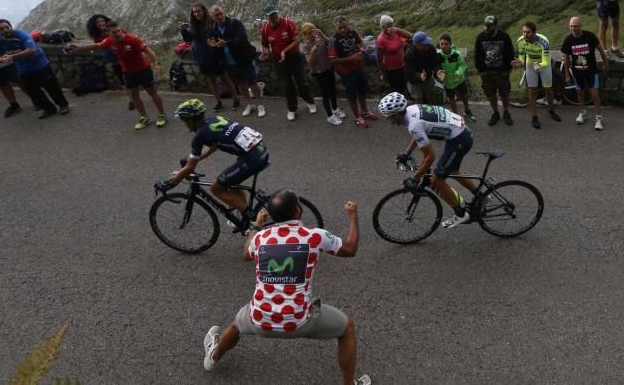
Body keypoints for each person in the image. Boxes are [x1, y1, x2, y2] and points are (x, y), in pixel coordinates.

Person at [201, 190, 370, 385]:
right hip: (299, 321)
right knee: (347, 327)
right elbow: (350, 249)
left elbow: (246, 254)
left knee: (237, 324)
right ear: (298, 210)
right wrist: (353, 216)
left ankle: (213, 357)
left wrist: (257, 225)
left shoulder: (261, 238)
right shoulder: (314, 236)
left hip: (259, 319)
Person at [156, 98, 269, 224]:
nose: (185, 124)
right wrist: (191, 159)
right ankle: (245, 214)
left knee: (216, 188)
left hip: (252, 158)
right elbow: (213, 146)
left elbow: (189, 168)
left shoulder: (199, 136)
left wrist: (169, 182)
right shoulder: (214, 120)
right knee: (230, 182)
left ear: (190, 120)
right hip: (260, 149)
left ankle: (252, 219)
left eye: (184, 121)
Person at [379, 92, 476, 229]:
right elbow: (419, 134)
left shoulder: (414, 124)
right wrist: (407, 153)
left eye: (389, 117)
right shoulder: (412, 110)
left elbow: (430, 157)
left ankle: (461, 214)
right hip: (460, 133)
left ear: (396, 114)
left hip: (459, 140)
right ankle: (480, 195)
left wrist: (415, 178)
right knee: (453, 170)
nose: (389, 120)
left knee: (436, 180)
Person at [70, 21, 167, 130]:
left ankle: (162, 115)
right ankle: (144, 117)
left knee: (152, 92)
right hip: (128, 72)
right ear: (109, 33)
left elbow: (149, 51)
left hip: (143, 70)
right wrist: (79, 48)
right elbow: (97, 45)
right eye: (114, 32)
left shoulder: (133, 40)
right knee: (134, 95)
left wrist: (157, 64)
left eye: (118, 31)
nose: (118, 34)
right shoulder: (109, 41)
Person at [0, 20, 69, 118]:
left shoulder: (21, 35)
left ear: (11, 26)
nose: (5, 30)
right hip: (23, 70)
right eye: (1, 29)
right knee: (34, 93)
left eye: (7, 27)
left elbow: (32, 50)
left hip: (40, 65)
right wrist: (1, 60)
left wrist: (12, 57)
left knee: (52, 88)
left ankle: (63, 105)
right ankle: (49, 109)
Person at [259, 5, 317, 121]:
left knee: (301, 81)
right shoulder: (265, 29)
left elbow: (297, 40)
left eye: (274, 14)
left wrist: (284, 51)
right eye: (270, 15)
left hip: (294, 57)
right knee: (287, 85)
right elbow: (265, 45)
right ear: (266, 16)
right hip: (279, 61)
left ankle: (310, 102)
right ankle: (292, 109)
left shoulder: (287, 23)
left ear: (277, 13)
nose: (273, 17)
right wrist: (265, 53)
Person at [208, 6, 264, 118]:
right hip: (229, 63)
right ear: (212, 17)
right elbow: (216, 46)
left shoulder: (235, 23)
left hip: (244, 59)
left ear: (224, 13)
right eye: (216, 15)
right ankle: (250, 105)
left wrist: (227, 43)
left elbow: (242, 37)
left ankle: (260, 105)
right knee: (240, 84)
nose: (219, 16)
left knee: (252, 82)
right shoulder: (213, 29)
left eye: (220, 13)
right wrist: (213, 46)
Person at [180, 3, 235, 112]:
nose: (196, 14)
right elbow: (188, 39)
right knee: (211, 80)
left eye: (198, 11)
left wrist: (215, 43)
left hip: (214, 55)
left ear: (204, 11)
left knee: (224, 77)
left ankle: (236, 98)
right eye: (194, 12)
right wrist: (183, 30)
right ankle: (218, 102)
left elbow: (218, 35)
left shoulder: (211, 22)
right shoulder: (193, 25)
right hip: (202, 57)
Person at [559, 16, 608, 131]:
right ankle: (582, 112)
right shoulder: (568, 40)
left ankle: (599, 117)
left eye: (575, 26)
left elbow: (600, 49)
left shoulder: (589, 36)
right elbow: (566, 59)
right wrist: (567, 75)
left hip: (591, 71)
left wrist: (605, 63)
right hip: (577, 73)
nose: (573, 28)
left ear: (581, 25)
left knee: (594, 94)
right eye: (571, 26)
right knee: (580, 93)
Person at [328, 16, 377, 128]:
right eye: (340, 28)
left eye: (345, 26)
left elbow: (361, 43)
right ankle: (357, 117)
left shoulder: (353, 32)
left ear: (348, 24)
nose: (343, 29)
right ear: (335, 27)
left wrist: (363, 47)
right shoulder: (333, 40)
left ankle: (364, 111)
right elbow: (332, 60)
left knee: (363, 91)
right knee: (352, 95)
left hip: (358, 67)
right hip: (346, 71)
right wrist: (351, 58)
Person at [513, 21, 561, 129]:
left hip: (544, 65)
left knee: (548, 89)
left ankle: (551, 109)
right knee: (532, 90)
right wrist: (520, 63)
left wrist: (538, 65)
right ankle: (534, 116)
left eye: (528, 32)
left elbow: (545, 61)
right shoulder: (520, 41)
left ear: (534, 33)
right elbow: (521, 57)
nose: (525, 35)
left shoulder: (543, 42)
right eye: (523, 32)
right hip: (530, 64)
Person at [300, 22, 345, 126]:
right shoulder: (306, 46)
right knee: (326, 93)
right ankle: (330, 116)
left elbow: (331, 44)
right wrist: (314, 49)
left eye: (313, 31)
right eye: (310, 32)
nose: (313, 34)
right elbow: (309, 63)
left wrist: (323, 35)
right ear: (305, 34)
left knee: (333, 89)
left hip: (328, 67)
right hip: (318, 72)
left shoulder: (320, 38)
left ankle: (335, 109)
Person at [87, 13, 135, 111]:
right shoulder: (97, 37)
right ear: (94, 25)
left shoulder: (116, 30)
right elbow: (100, 47)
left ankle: (137, 96)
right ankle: (132, 100)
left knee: (133, 78)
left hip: (126, 58)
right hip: (114, 61)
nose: (100, 23)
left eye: (102, 21)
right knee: (124, 82)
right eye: (97, 22)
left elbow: (128, 38)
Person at [473, 15, 515, 126]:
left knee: (504, 93)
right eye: (486, 26)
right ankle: (495, 113)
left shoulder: (504, 36)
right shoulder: (480, 37)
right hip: (487, 72)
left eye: (490, 26)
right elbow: (477, 56)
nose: (487, 29)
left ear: (495, 26)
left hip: (502, 71)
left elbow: (510, 53)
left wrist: (508, 70)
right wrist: (481, 71)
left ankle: (506, 112)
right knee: (490, 94)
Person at [437, 34, 473, 121]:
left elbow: (463, 65)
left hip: (459, 79)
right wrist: (439, 71)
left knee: (464, 95)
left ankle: (467, 110)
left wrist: (458, 72)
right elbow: (436, 66)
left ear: (450, 44)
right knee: (451, 99)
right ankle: (456, 115)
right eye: (441, 44)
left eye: (446, 44)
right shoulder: (437, 55)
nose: (443, 46)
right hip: (448, 82)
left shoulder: (457, 54)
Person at [375, 15, 411, 96]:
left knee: (403, 88)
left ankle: (403, 105)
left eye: (392, 25)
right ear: (383, 27)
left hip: (402, 64)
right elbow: (379, 59)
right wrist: (382, 73)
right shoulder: (381, 40)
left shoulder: (395, 32)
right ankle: (397, 107)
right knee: (396, 91)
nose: (391, 28)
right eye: (389, 26)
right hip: (391, 69)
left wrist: (397, 29)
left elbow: (409, 35)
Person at [404, 31, 441, 105]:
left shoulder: (431, 48)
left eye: (427, 42)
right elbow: (409, 73)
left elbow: (436, 62)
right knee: (418, 97)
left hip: (428, 75)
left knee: (430, 94)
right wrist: (419, 76)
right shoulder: (409, 53)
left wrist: (437, 71)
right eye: (424, 44)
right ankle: (419, 114)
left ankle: (433, 110)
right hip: (414, 80)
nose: (427, 44)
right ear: (417, 44)